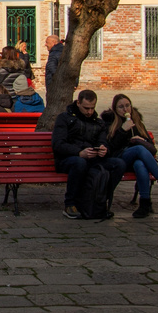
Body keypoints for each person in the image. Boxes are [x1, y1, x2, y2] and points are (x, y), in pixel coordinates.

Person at [51, 89, 126, 220]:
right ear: (78, 103)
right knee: (80, 163)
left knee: (119, 164)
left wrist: (104, 149)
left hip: (92, 158)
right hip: (68, 159)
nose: (89, 112)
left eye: (92, 108)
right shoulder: (65, 118)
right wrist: (79, 152)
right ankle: (70, 203)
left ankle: (99, 200)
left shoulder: (98, 122)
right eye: (86, 108)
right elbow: (58, 144)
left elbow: (103, 141)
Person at [103, 93, 158, 218]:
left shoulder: (136, 121)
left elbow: (152, 150)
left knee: (140, 164)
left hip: (136, 159)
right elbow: (111, 147)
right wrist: (122, 130)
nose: (125, 109)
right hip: (119, 160)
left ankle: (144, 203)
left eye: (127, 106)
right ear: (115, 109)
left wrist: (141, 140)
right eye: (121, 107)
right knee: (137, 149)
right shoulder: (110, 122)